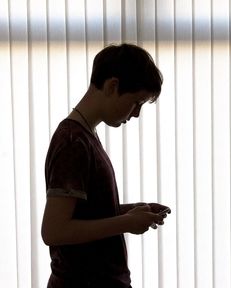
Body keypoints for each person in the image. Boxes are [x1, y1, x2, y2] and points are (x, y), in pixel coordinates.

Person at [41, 43, 170, 288]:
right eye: (136, 102)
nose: (136, 115)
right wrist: (126, 223)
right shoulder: (72, 142)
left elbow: (82, 215)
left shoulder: (85, 136)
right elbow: (54, 231)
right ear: (113, 86)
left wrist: (130, 212)